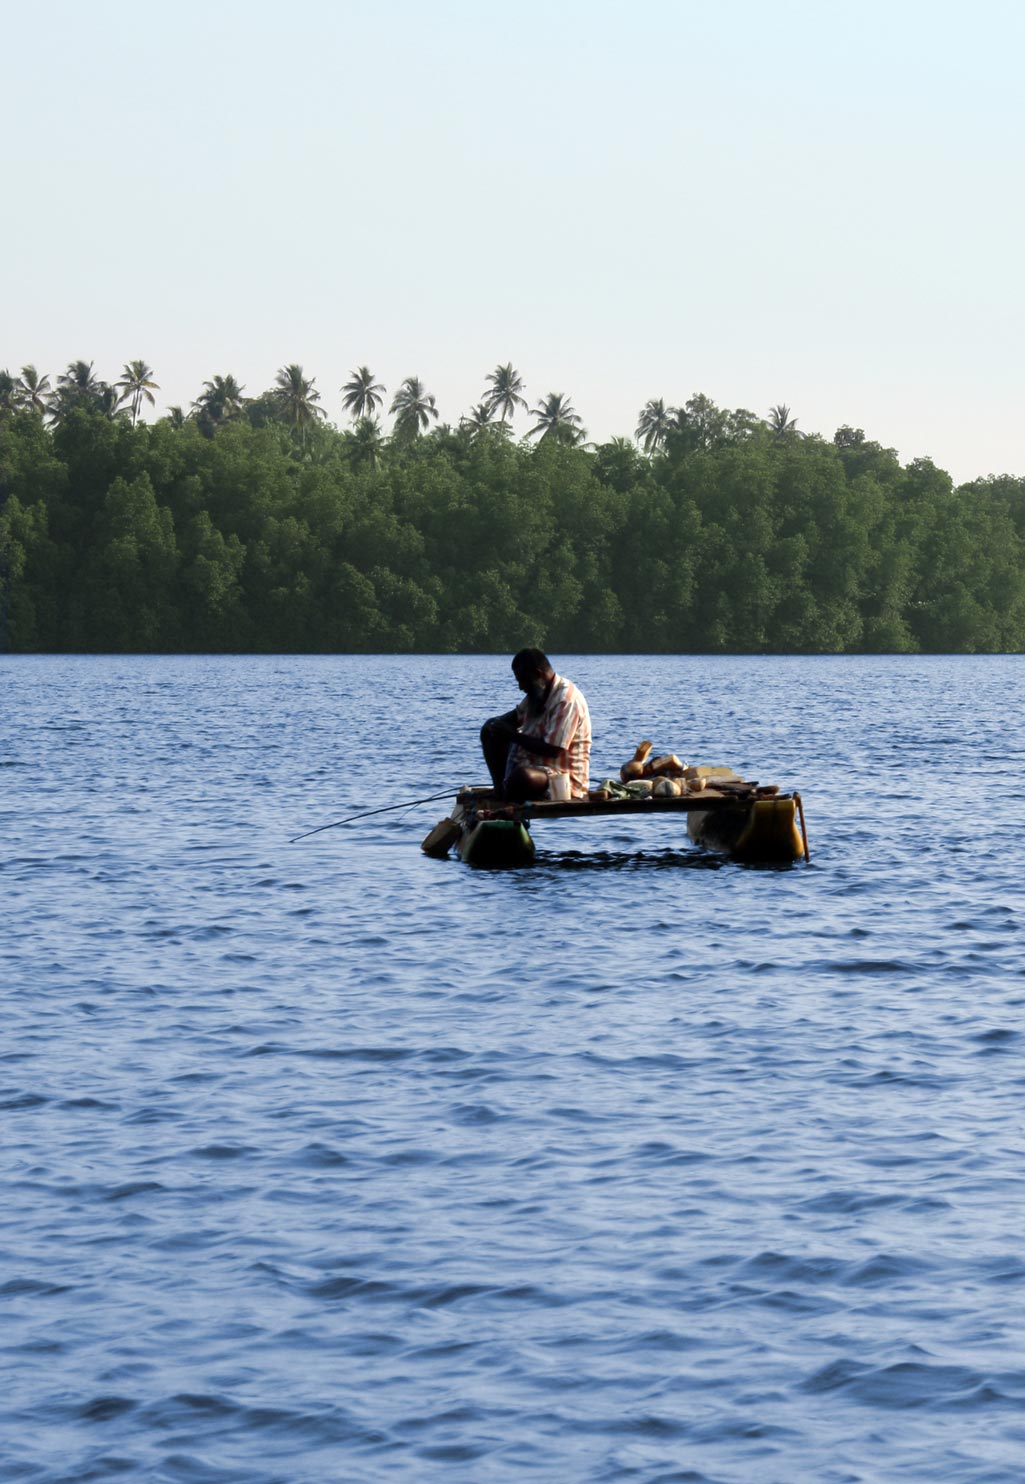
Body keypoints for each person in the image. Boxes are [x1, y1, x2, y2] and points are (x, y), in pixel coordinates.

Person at [480, 649, 591, 801]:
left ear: (539, 674)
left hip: (562, 779)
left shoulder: (566, 700)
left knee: (522, 777)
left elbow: (554, 750)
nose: (520, 687)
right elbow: (510, 719)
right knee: (489, 729)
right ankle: (500, 789)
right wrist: (495, 726)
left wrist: (512, 735)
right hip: (535, 767)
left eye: (523, 681)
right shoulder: (536, 694)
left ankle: (507, 791)